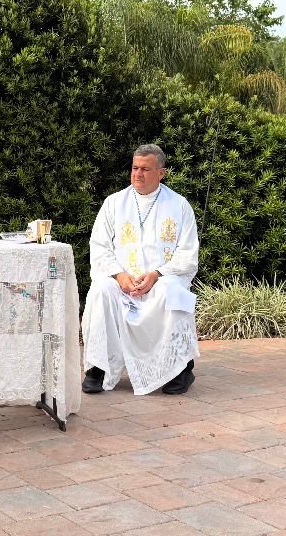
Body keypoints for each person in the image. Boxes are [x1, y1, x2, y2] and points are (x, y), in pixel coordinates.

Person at [81, 144, 200, 395]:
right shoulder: (114, 203)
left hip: (160, 280)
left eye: (145, 169)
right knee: (101, 290)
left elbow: (188, 253)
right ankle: (98, 368)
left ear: (161, 173)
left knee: (171, 291)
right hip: (123, 282)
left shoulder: (179, 205)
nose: (138, 174)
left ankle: (180, 369)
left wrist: (157, 275)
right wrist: (119, 275)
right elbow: (99, 247)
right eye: (135, 168)